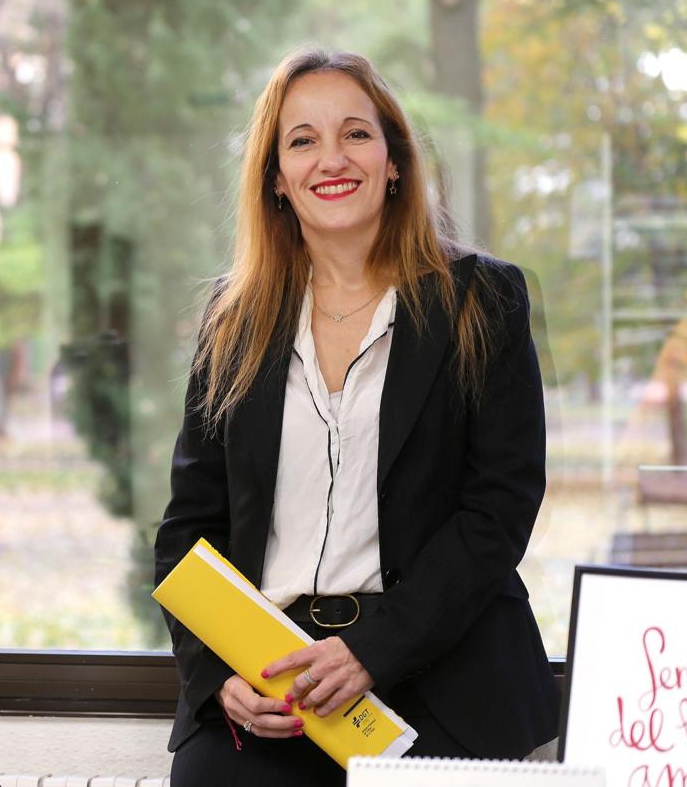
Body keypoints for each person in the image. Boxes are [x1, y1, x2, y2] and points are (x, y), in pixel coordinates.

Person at [153, 49, 560, 786]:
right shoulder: (233, 318)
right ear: (276, 177)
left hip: (440, 674)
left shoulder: (482, 300)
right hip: (274, 682)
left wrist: (373, 650)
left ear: (395, 159)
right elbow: (189, 528)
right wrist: (218, 673)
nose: (330, 158)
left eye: (356, 134)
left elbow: (498, 510)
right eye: (302, 140)